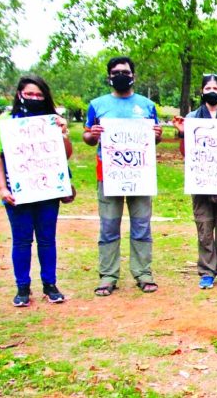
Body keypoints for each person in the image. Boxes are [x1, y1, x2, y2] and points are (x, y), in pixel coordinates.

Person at [0, 76, 74, 306]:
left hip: (47, 190)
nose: (35, 98)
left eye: (39, 95)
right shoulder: (5, 122)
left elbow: (66, 154)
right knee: (21, 240)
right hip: (18, 191)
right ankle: (23, 288)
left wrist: (63, 133)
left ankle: (50, 284)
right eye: (30, 94)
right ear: (19, 94)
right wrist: (2, 188)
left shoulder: (52, 122)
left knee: (47, 239)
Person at [84, 56, 163, 296]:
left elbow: (155, 138)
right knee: (109, 225)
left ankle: (143, 273)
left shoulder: (147, 106)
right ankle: (108, 275)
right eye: (116, 72)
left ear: (133, 76)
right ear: (109, 76)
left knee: (141, 225)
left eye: (126, 72)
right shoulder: (97, 105)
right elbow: (87, 137)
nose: (121, 75)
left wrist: (157, 134)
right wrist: (93, 134)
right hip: (109, 174)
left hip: (140, 174)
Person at [172, 74, 217, 290]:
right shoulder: (192, 117)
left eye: (216, 87)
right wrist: (184, 134)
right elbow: (186, 153)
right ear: (202, 91)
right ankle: (206, 272)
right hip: (201, 180)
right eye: (208, 88)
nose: (212, 91)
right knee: (204, 228)